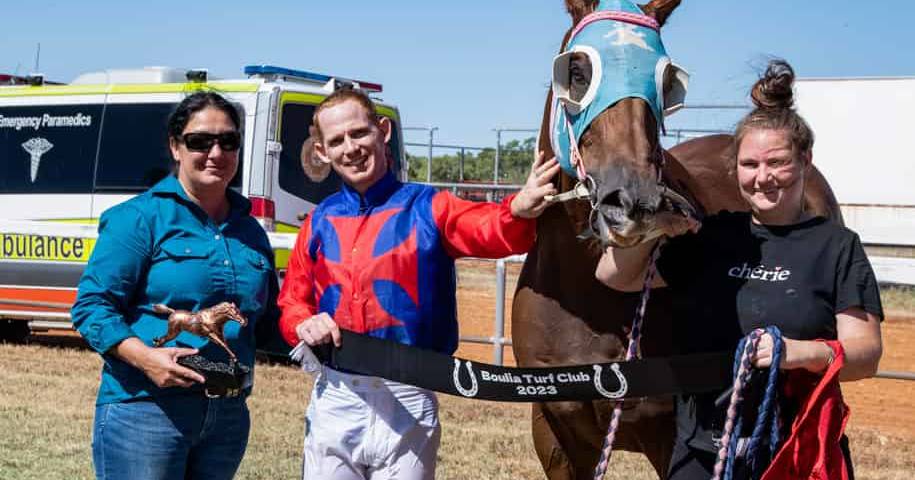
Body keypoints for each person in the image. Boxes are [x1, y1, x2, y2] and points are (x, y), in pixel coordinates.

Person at [595, 60, 883, 479]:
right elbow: (613, 276)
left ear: (805, 161)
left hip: (797, 453)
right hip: (700, 453)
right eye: (750, 165)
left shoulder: (836, 247)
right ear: (736, 168)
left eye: (777, 163)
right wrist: (652, 229)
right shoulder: (711, 236)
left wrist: (802, 354)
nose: (762, 178)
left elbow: (866, 354)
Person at [278, 87, 560, 480]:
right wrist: (302, 323)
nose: (351, 148)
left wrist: (516, 207)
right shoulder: (318, 221)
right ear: (323, 152)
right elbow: (293, 301)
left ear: (383, 130)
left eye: (359, 133)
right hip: (336, 396)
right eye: (337, 140)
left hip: (409, 397)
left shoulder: (431, 206)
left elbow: (492, 230)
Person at [71, 91, 281, 479]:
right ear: (176, 147)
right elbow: (92, 307)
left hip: (227, 417)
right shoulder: (139, 218)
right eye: (200, 141)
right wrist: (147, 359)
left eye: (228, 141)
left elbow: (267, 321)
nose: (216, 152)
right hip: (146, 410)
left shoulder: (250, 230)